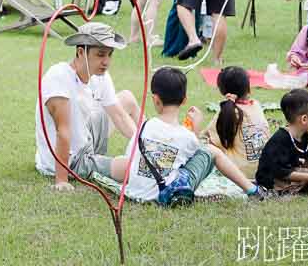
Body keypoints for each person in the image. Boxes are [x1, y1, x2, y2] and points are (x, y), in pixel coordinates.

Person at [104, 67, 266, 203]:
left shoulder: (143, 127)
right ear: (184, 100)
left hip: (136, 192)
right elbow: (196, 155)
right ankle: (252, 190)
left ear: (155, 99)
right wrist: (195, 130)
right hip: (166, 194)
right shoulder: (186, 136)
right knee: (212, 151)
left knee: (118, 161)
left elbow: (131, 160)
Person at [36, 22, 139, 190]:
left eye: (109, 54)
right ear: (81, 52)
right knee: (132, 168)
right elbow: (63, 131)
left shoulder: (100, 75)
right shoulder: (59, 77)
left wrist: (143, 145)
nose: (106, 62)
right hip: (71, 159)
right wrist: (62, 180)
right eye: (100, 55)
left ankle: (153, 144)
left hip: (85, 137)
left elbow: (119, 115)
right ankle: (153, 164)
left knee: (126, 98)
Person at [199, 66, 270, 181]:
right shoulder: (256, 105)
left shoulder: (227, 113)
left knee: (206, 148)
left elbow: (208, 138)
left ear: (222, 91)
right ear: (248, 89)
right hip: (264, 169)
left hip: (239, 174)